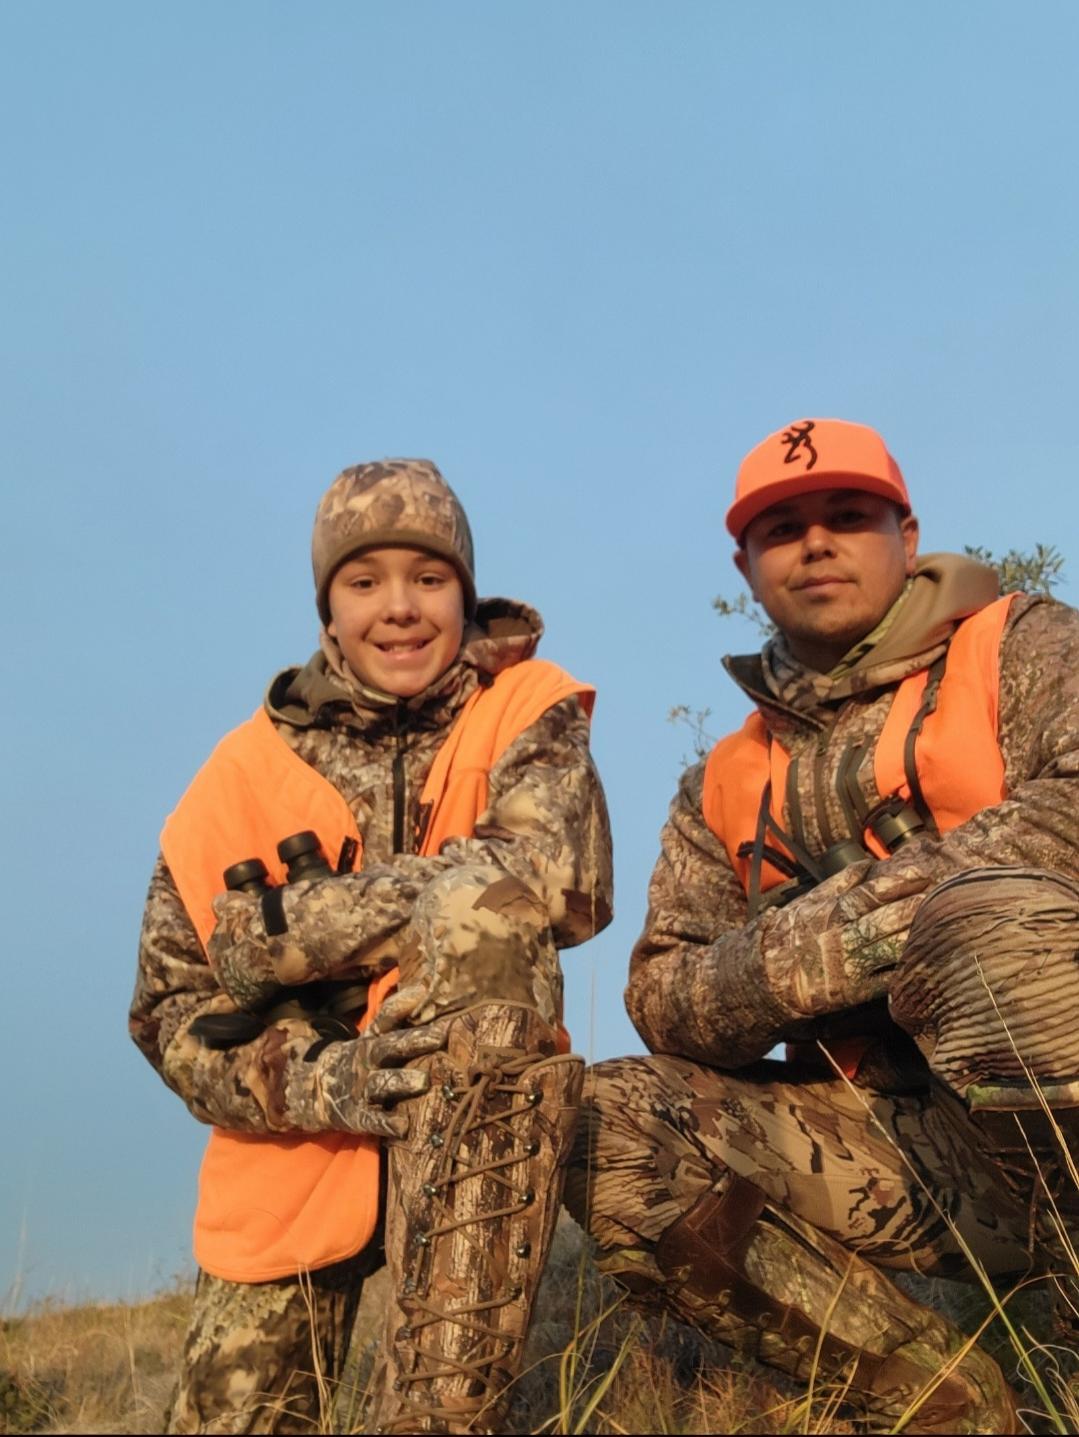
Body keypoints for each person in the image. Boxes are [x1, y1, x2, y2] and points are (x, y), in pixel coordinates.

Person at [566, 417, 1079, 1434]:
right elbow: (662, 998)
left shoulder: (1023, 643)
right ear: (744, 565)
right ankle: (937, 1403)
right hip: (913, 1146)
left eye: (846, 516)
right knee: (603, 1121)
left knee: (988, 925)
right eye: (781, 528)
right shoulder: (718, 780)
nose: (815, 543)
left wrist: (868, 916)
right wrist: (822, 950)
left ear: (905, 531)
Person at [131, 459, 613, 1434]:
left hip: (473, 1130)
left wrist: (295, 933)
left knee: (438, 1418)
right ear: (327, 607)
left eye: (428, 579)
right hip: (289, 1155)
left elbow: (557, 874)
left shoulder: (524, 702)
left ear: (464, 592)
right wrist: (320, 1081)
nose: (399, 608)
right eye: (364, 582)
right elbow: (172, 1013)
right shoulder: (238, 773)